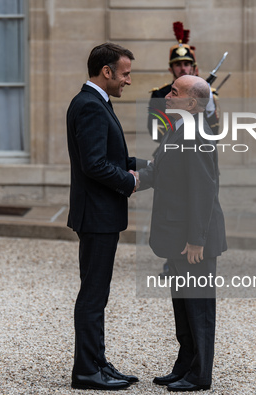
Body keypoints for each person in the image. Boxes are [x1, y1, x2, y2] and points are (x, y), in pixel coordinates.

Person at [137, 75, 227, 391]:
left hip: (193, 240)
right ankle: (185, 365)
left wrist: (197, 239)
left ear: (191, 103)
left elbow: (204, 189)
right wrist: (126, 170)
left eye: (174, 92)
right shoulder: (178, 128)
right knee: (183, 305)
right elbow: (159, 169)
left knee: (198, 308)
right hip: (177, 236)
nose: (167, 95)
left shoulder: (198, 133)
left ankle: (200, 374)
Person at [66, 42, 147, 390]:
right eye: (125, 73)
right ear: (107, 72)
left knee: (98, 293)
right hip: (97, 216)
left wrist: (149, 168)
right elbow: (94, 164)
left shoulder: (97, 102)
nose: (128, 80)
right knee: (93, 295)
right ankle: (86, 371)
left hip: (101, 215)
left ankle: (98, 362)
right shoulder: (89, 106)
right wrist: (130, 181)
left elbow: (110, 157)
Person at [148, 21, 220, 279]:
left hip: (187, 160)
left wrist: (208, 108)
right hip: (169, 158)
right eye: (178, 65)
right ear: (171, 68)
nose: (183, 66)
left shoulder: (198, 117)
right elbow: (156, 130)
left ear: (193, 66)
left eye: (187, 64)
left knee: (195, 299)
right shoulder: (162, 95)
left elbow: (203, 186)